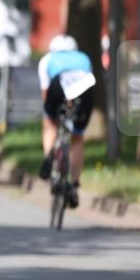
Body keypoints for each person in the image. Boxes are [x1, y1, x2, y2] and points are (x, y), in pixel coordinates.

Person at [37, 34, 96, 209]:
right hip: (85, 88)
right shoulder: (84, 58)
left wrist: (51, 114)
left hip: (58, 85)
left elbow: (46, 92)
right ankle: (75, 184)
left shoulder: (47, 60)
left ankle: (50, 158)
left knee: (50, 123)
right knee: (78, 136)